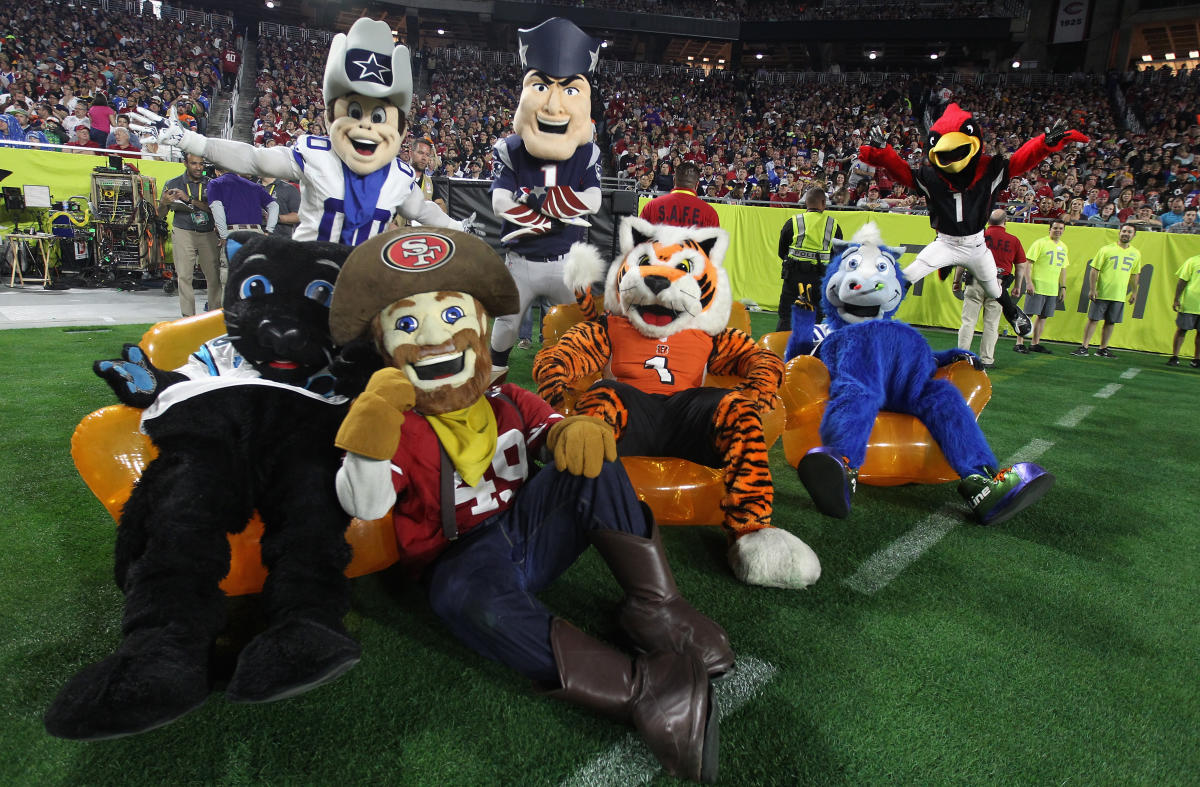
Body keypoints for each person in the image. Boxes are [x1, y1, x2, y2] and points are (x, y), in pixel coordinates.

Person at [330, 228, 728, 782]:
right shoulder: (398, 425)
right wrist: (371, 420)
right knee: (457, 594)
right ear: (386, 347)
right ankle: (643, 691)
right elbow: (367, 506)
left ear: (479, 329)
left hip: (530, 529)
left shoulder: (508, 399)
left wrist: (575, 431)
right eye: (408, 325)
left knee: (590, 455)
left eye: (451, 320)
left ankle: (655, 607)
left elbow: (555, 434)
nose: (434, 341)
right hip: (463, 559)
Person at [488, 18, 604, 377]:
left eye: (570, 91)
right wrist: (546, 205)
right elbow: (498, 202)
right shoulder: (511, 149)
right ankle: (493, 382)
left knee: (577, 332)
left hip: (565, 261)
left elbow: (595, 200)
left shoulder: (587, 153)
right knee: (505, 327)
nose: (554, 107)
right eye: (541, 87)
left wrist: (541, 201)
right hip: (521, 259)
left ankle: (574, 384)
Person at [955, 210, 1025, 368]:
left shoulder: (976, 237)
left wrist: (957, 281)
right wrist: (1018, 285)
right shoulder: (1013, 240)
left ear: (988, 221)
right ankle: (987, 359)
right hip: (998, 285)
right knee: (991, 324)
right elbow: (1020, 266)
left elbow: (962, 260)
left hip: (975, 281)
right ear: (1005, 221)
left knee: (968, 321)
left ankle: (961, 355)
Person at [159, 153, 221, 317]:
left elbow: (215, 209)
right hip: (183, 231)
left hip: (208, 232)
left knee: (214, 276)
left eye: (201, 164)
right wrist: (164, 203)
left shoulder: (211, 184)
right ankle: (188, 317)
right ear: (185, 163)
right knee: (184, 276)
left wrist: (190, 200)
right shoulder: (172, 183)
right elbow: (160, 215)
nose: (199, 167)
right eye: (194, 163)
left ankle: (213, 315)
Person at [1072, 223, 1142, 358]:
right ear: (1119, 232)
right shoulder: (1106, 249)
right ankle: (1084, 347)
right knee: (1093, 319)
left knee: (1111, 322)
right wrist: (1092, 289)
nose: (1126, 234)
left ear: (1134, 235)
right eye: (1124, 231)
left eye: (1129, 232)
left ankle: (1103, 348)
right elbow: (1094, 270)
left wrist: (1134, 292)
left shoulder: (1136, 253)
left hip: (1119, 294)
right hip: (1103, 291)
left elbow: (1134, 275)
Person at [777, 187, 842, 330]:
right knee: (815, 317)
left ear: (806, 202)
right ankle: (811, 349)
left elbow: (782, 251)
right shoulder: (833, 225)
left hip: (793, 276)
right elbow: (837, 256)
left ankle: (780, 348)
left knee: (786, 315)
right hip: (819, 277)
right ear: (824, 203)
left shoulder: (793, 221)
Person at [1013, 219, 1069, 354]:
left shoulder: (1064, 247)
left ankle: (1035, 343)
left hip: (1052, 288)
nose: (1058, 230)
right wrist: (1029, 282)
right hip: (1038, 284)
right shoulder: (1040, 243)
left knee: (1043, 316)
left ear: (1064, 230)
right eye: (1055, 228)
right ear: (1049, 229)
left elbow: (1063, 268)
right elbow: (1028, 263)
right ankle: (1019, 343)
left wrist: (1063, 287)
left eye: (1061, 228)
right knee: (1028, 315)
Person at [638, 160, 719, 228]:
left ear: (674, 181)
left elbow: (638, 240)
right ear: (697, 184)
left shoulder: (651, 206)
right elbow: (715, 246)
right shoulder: (710, 213)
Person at [206, 167, 279, 242]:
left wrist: (224, 236)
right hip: (256, 234)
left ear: (217, 171)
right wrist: (269, 231)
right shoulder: (254, 186)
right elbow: (274, 206)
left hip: (234, 234)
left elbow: (217, 208)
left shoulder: (215, 183)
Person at [1167, 252, 1200, 367]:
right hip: (1190, 304)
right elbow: (1182, 281)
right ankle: (1174, 357)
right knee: (1181, 330)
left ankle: (1197, 359)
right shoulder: (1193, 261)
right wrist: (1176, 299)